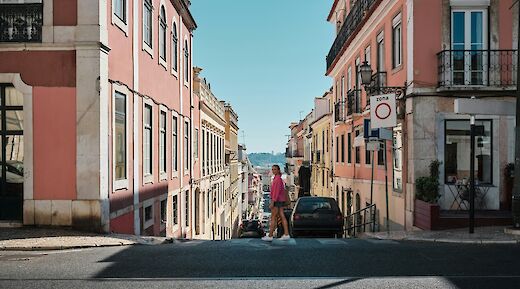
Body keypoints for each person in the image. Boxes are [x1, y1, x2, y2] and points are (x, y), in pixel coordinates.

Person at [262, 164, 290, 241]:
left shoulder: (277, 179)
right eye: (272, 169)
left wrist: (272, 202)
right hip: (279, 200)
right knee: (282, 216)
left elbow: (276, 192)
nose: (273, 171)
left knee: (273, 218)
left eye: (275, 169)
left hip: (277, 201)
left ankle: (270, 235)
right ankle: (286, 234)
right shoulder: (278, 179)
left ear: (278, 170)